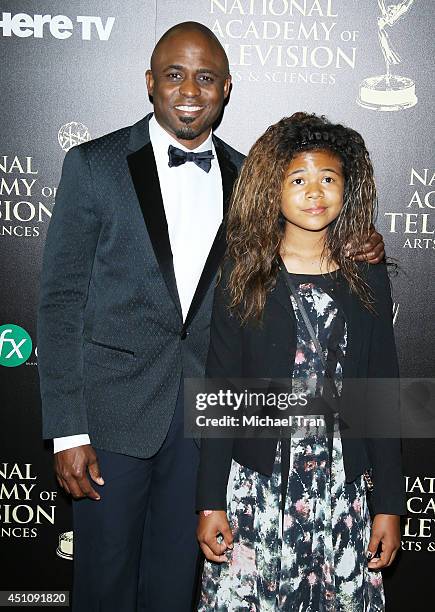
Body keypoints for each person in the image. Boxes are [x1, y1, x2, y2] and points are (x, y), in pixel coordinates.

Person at [37, 20, 385, 612]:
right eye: (174, 75)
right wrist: (68, 429)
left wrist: (361, 243)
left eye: (206, 78)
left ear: (227, 88)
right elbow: (60, 301)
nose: (190, 90)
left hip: (209, 418)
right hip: (112, 416)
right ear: (150, 82)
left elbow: (307, 236)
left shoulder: (253, 178)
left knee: (177, 586)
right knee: (103, 583)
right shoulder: (93, 166)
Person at [196, 113, 406, 611]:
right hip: (258, 486)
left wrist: (391, 506)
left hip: (339, 485)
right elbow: (220, 388)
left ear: (346, 188)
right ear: (274, 189)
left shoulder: (366, 278)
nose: (315, 192)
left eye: (328, 179)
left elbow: (383, 396)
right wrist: (209, 501)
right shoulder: (243, 275)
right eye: (299, 179)